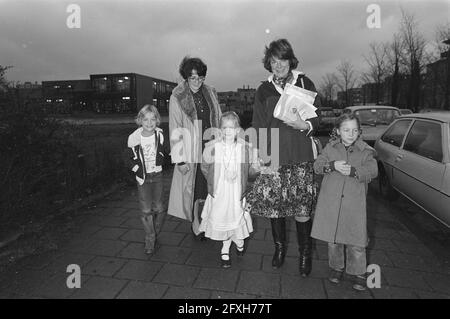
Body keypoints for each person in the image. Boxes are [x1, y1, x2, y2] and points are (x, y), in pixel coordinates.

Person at [246, 38, 321, 276]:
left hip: (300, 151)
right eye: (274, 61)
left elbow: (318, 118)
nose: (278, 65)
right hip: (274, 155)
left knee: (302, 208)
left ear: (291, 61)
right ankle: (279, 249)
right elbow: (258, 125)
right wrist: (258, 153)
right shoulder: (264, 90)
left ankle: (304, 254)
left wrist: (304, 123)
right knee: (275, 207)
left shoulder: (304, 82)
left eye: (283, 60)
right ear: (269, 62)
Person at [311, 112, 378, 291]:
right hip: (331, 202)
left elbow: (372, 171)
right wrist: (332, 166)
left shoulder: (366, 151)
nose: (350, 133)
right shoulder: (330, 148)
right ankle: (336, 267)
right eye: (346, 130)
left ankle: (359, 272)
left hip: (354, 204)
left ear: (359, 131)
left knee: (356, 241)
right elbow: (317, 166)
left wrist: (355, 172)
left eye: (354, 130)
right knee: (333, 240)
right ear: (338, 131)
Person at [168, 56, 222, 239]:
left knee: (210, 187)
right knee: (195, 189)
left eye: (200, 77)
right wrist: (180, 159)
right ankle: (196, 223)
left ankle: (209, 220)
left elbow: (219, 120)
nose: (197, 81)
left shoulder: (211, 92)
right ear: (186, 77)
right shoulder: (177, 96)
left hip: (212, 147)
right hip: (192, 151)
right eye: (192, 78)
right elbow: (175, 128)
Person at [198, 112, 257, 268]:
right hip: (220, 191)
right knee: (222, 218)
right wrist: (212, 182)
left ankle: (238, 240)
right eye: (224, 127)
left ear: (238, 130)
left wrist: (255, 168)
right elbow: (204, 167)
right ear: (219, 129)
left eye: (231, 127)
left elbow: (250, 171)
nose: (227, 131)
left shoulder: (244, 148)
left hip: (236, 191)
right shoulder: (213, 147)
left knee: (235, 217)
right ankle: (225, 248)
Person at [127, 105, 169, 254]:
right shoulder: (134, 138)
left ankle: (155, 232)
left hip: (157, 175)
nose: (149, 123)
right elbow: (129, 157)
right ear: (140, 120)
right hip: (143, 178)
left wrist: (162, 158)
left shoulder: (160, 135)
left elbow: (164, 150)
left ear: (157, 120)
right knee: (145, 209)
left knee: (159, 208)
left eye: (153, 119)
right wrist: (136, 169)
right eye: (145, 119)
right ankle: (150, 237)